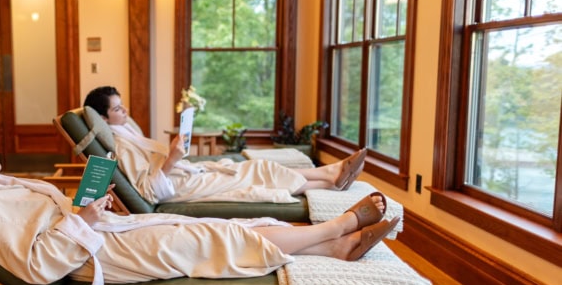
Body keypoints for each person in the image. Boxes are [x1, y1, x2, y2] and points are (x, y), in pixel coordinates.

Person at [0, 124, 399, 285]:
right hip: (92, 258)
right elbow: (35, 266)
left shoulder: (6, 184)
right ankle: (337, 227)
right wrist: (84, 223)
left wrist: (85, 209)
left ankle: (335, 246)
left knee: (213, 229)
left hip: (101, 235)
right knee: (204, 240)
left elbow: (51, 227)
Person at [83, 86, 367, 205]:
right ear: (103, 117)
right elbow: (147, 193)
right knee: (260, 175)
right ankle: (332, 178)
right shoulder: (120, 145)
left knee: (259, 168)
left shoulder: (127, 131)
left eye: (123, 106)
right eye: (118, 109)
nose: (126, 112)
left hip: (187, 175)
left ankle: (332, 174)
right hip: (181, 188)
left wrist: (175, 156)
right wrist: (171, 159)